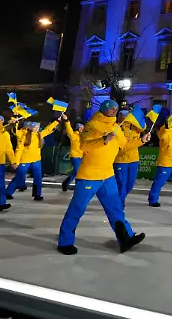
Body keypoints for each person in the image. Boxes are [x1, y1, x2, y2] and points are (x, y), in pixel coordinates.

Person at [56, 99, 145, 255]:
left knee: (116, 209)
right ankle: (65, 242)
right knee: (77, 209)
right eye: (111, 109)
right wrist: (103, 140)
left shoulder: (116, 127)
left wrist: (141, 141)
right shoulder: (92, 125)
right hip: (89, 175)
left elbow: (124, 146)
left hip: (107, 175)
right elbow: (84, 146)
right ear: (104, 109)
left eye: (116, 109)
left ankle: (126, 238)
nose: (114, 111)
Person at [5, 118, 59, 201]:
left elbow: (47, 130)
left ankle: (37, 194)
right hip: (25, 161)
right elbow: (19, 150)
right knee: (19, 177)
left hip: (36, 160)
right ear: (30, 128)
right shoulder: (24, 136)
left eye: (38, 127)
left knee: (38, 178)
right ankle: (8, 192)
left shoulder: (39, 135)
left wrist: (57, 121)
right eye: (35, 127)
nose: (37, 129)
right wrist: (15, 162)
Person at [148, 114, 172, 207]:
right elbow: (161, 133)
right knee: (159, 182)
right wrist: (166, 125)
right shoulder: (164, 133)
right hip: (165, 164)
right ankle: (153, 200)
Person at [115, 114, 150, 209]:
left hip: (133, 160)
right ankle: (119, 205)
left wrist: (139, 118)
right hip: (120, 161)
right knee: (121, 185)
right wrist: (140, 141)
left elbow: (143, 127)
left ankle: (118, 200)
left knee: (130, 184)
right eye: (124, 115)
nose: (126, 117)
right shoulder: (116, 128)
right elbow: (123, 147)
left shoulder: (134, 127)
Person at [61, 116, 85, 191]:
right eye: (80, 127)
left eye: (83, 128)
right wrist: (66, 120)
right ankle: (79, 186)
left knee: (76, 172)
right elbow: (68, 129)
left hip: (83, 156)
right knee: (78, 171)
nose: (82, 129)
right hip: (75, 156)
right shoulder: (73, 135)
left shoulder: (85, 136)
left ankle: (65, 183)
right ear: (77, 128)